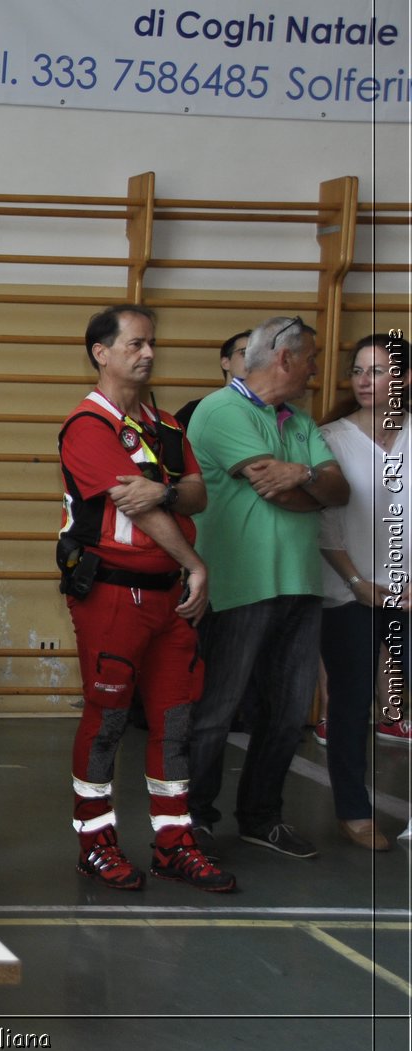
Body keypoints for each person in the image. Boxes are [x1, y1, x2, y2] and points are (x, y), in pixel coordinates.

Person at [57, 305, 233, 892]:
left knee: (174, 722)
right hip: (112, 596)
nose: (148, 353)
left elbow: (197, 494)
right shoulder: (88, 426)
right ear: (100, 353)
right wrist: (196, 563)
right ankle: (95, 841)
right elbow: (143, 508)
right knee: (107, 723)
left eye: (152, 343)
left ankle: (174, 841)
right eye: (135, 344)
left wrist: (164, 489)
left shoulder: (166, 425)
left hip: (171, 600)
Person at [186, 315, 348, 859]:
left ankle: (261, 817)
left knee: (286, 713)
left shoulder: (297, 420)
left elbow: (338, 488)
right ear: (284, 359)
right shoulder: (219, 410)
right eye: (311, 359)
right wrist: (311, 484)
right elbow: (271, 489)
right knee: (216, 711)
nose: (316, 370)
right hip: (239, 586)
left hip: (300, 585)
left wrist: (302, 476)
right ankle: (194, 819)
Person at [316, 333, 408, 851]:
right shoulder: (329, 438)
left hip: (411, 594)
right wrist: (357, 581)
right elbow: (325, 524)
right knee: (351, 705)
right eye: (358, 371)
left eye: (377, 371)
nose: (364, 381)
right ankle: (355, 811)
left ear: (405, 378)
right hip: (350, 592)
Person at [175, 330, 250, 430]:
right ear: (226, 363)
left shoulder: (271, 412)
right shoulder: (197, 410)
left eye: (259, 354)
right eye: (245, 352)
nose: (254, 359)